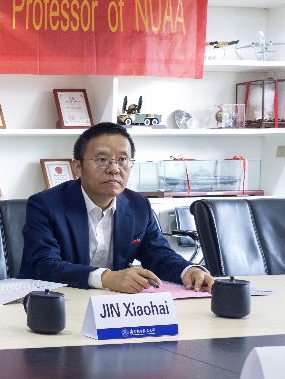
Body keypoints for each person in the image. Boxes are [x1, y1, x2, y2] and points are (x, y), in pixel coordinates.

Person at [20, 122, 213, 294]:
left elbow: (159, 255)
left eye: (122, 159)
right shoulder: (45, 205)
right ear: (77, 167)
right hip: (59, 302)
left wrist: (188, 270)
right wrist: (106, 278)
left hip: (113, 305)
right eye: (101, 159)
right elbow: (42, 265)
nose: (114, 168)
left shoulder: (138, 205)